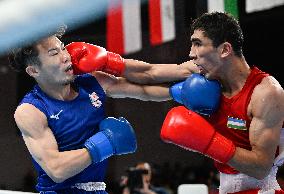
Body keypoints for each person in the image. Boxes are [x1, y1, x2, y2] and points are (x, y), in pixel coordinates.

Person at [8, 25, 193, 194]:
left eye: (63, 47)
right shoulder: (31, 111)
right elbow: (56, 169)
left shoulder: (91, 82)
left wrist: (181, 91)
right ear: (33, 71)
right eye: (54, 53)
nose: (65, 56)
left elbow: (143, 86)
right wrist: (106, 143)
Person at [159, 12, 284, 194]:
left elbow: (261, 168)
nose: (191, 53)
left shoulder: (266, 92)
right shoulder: (210, 84)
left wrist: (209, 143)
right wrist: (113, 66)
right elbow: (149, 73)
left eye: (197, 43)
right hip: (225, 187)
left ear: (225, 50)